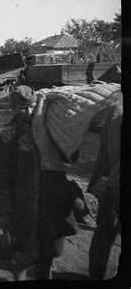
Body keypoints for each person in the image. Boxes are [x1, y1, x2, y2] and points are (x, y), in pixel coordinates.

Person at [0, 85, 79, 280]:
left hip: (50, 203)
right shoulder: (9, 136)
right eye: (22, 108)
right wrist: (3, 213)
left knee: (50, 252)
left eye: (31, 106)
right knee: (23, 255)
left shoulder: (48, 128)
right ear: (13, 108)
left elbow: (70, 156)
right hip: (23, 207)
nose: (28, 112)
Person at [87, 91, 122, 280]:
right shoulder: (117, 109)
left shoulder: (115, 104)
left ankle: (96, 273)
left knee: (104, 231)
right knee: (106, 230)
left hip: (110, 181)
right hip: (113, 182)